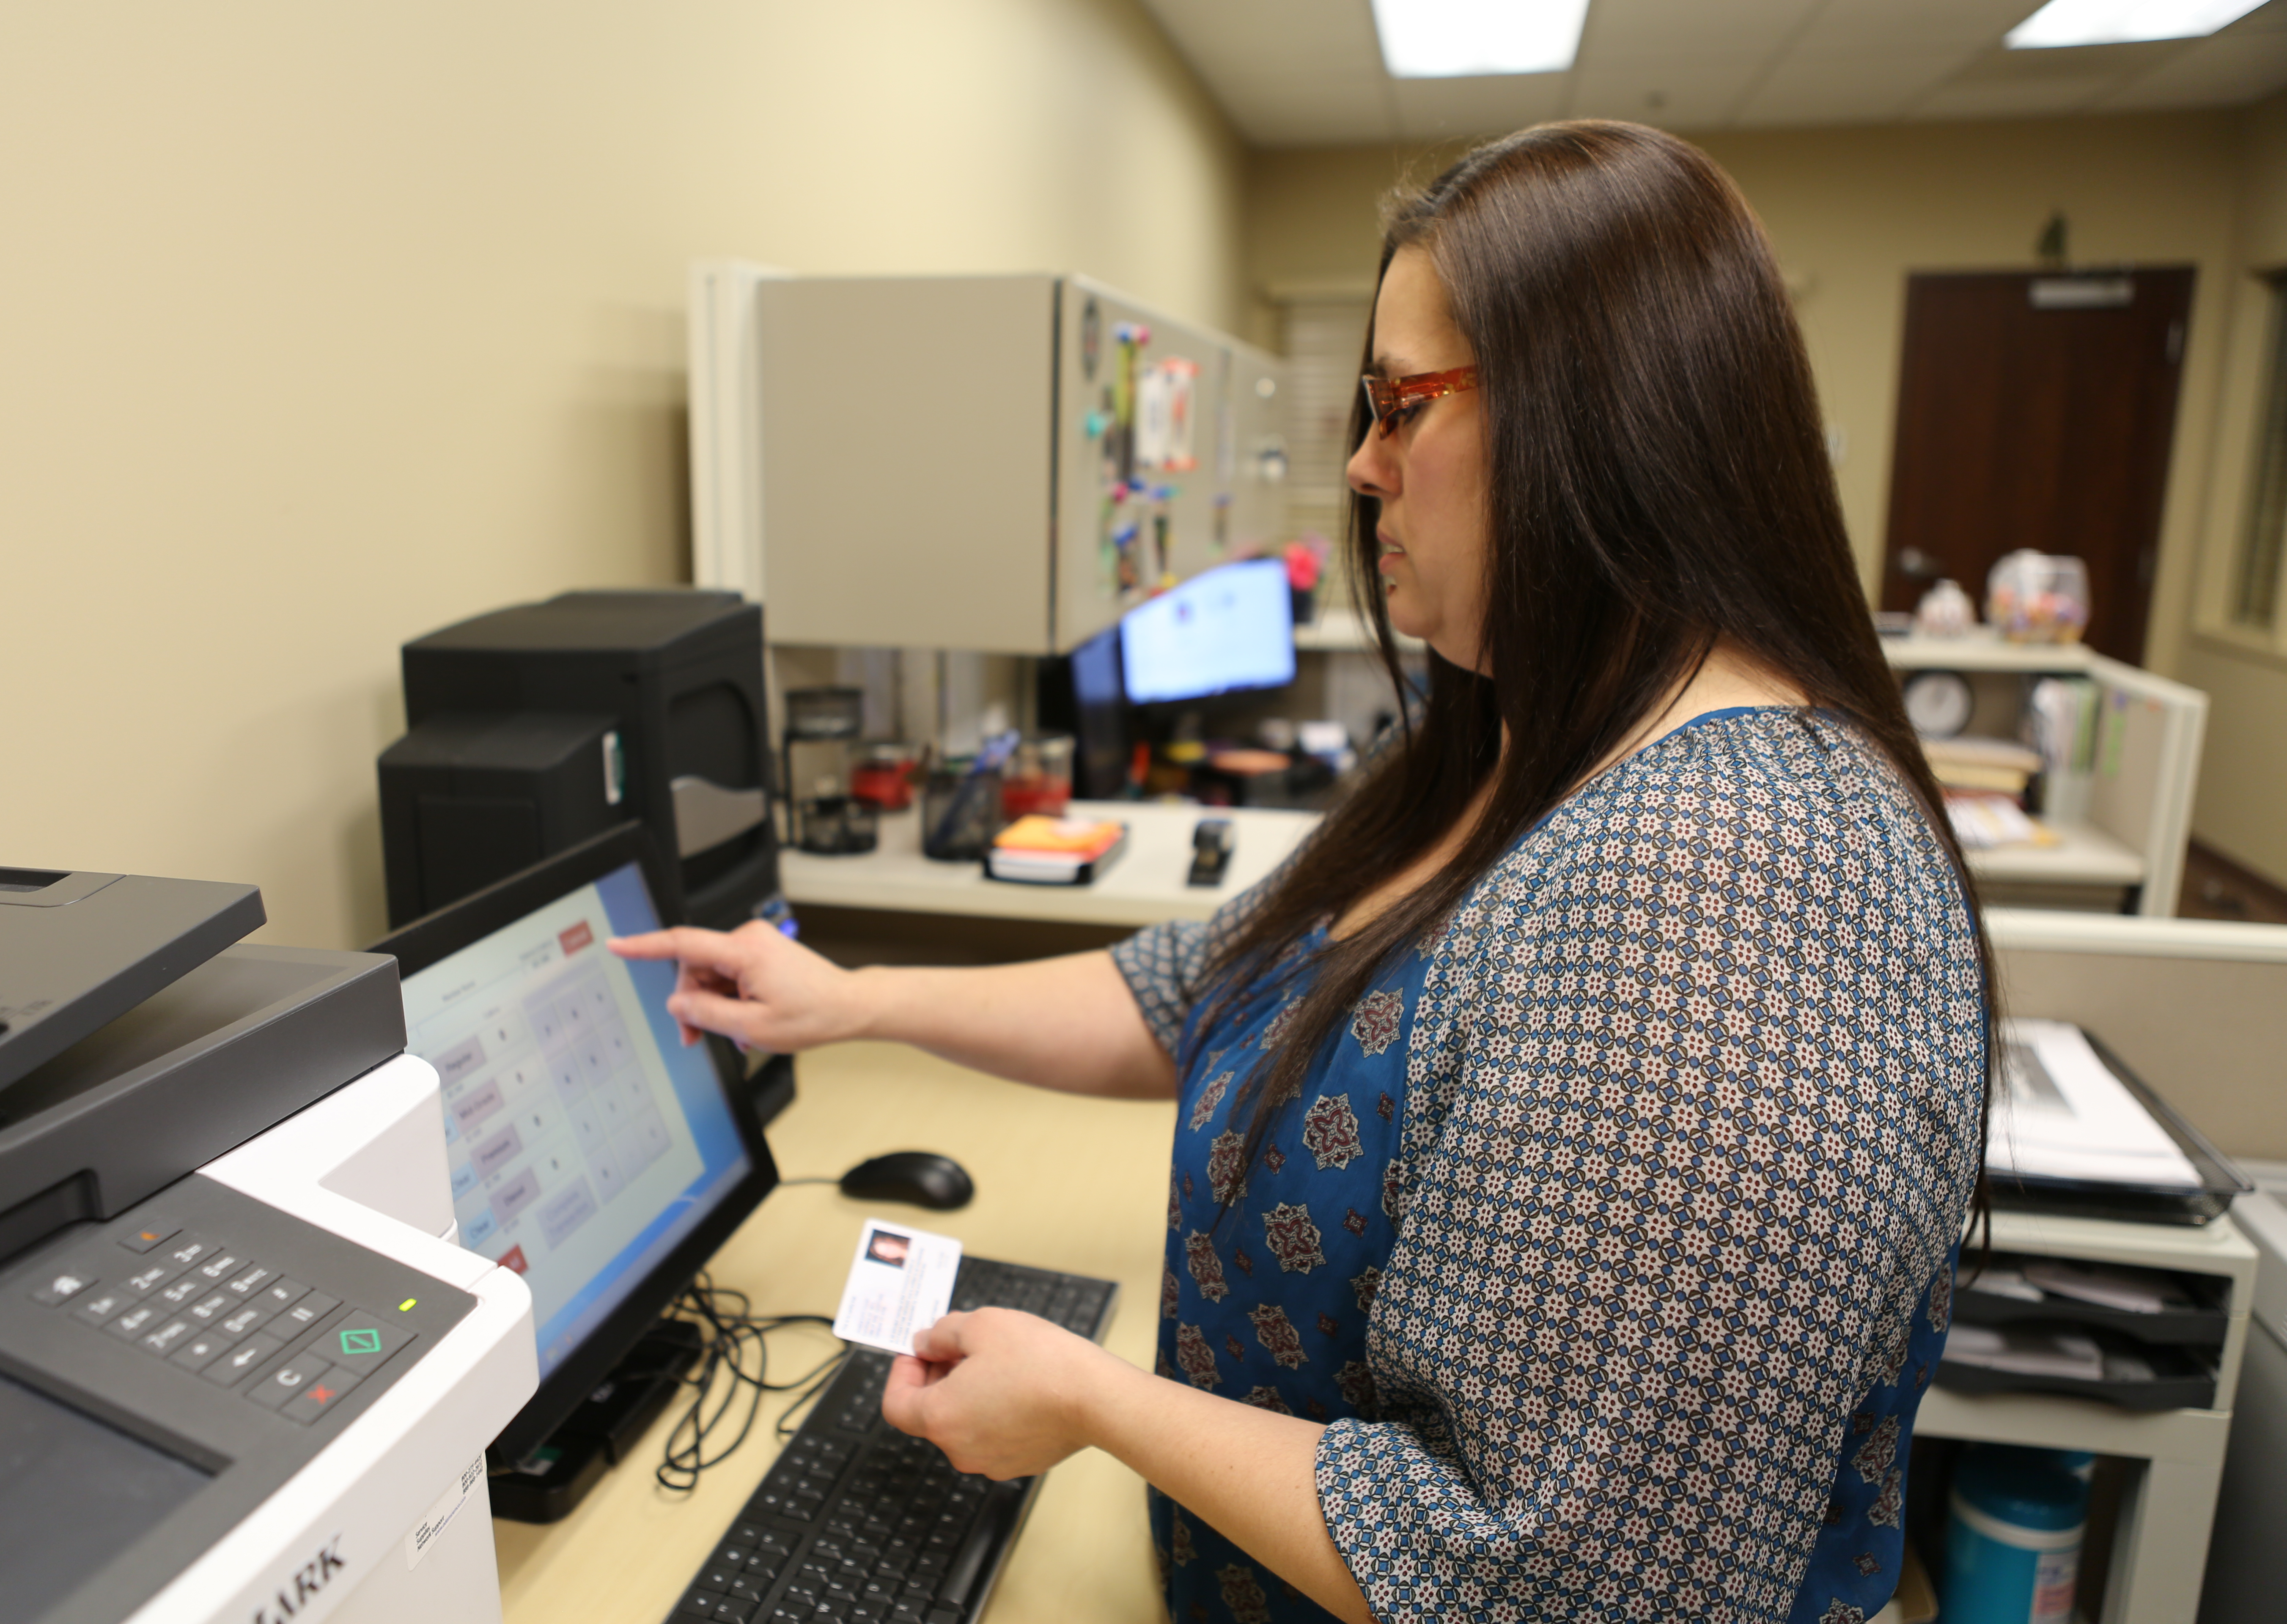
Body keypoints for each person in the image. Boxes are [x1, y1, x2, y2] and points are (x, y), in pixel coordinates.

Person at [614, 121, 1988, 1624]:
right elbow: (1213, 986)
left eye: (1402, 407)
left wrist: (1092, 1402)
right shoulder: (1529, 736)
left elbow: (1552, 1589)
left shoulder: (1723, 887)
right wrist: (854, 998)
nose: (1361, 463)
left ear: (1589, 421)